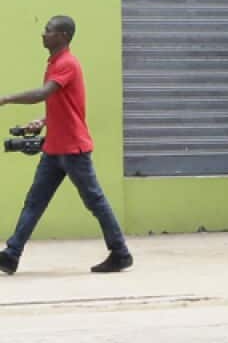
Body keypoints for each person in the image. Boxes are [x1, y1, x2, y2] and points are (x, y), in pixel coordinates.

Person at [0, 16, 131, 275]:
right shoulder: (55, 62)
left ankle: (120, 253)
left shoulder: (67, 63)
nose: (43, 34)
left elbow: (43, 93)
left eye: (48, 30)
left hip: (74, 150)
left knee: (95, 201)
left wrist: (6, 98)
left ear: (62, 35)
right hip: (54, 148)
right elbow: (65, 103)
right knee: (34, 202)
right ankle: (11, 255)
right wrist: (45, 120)